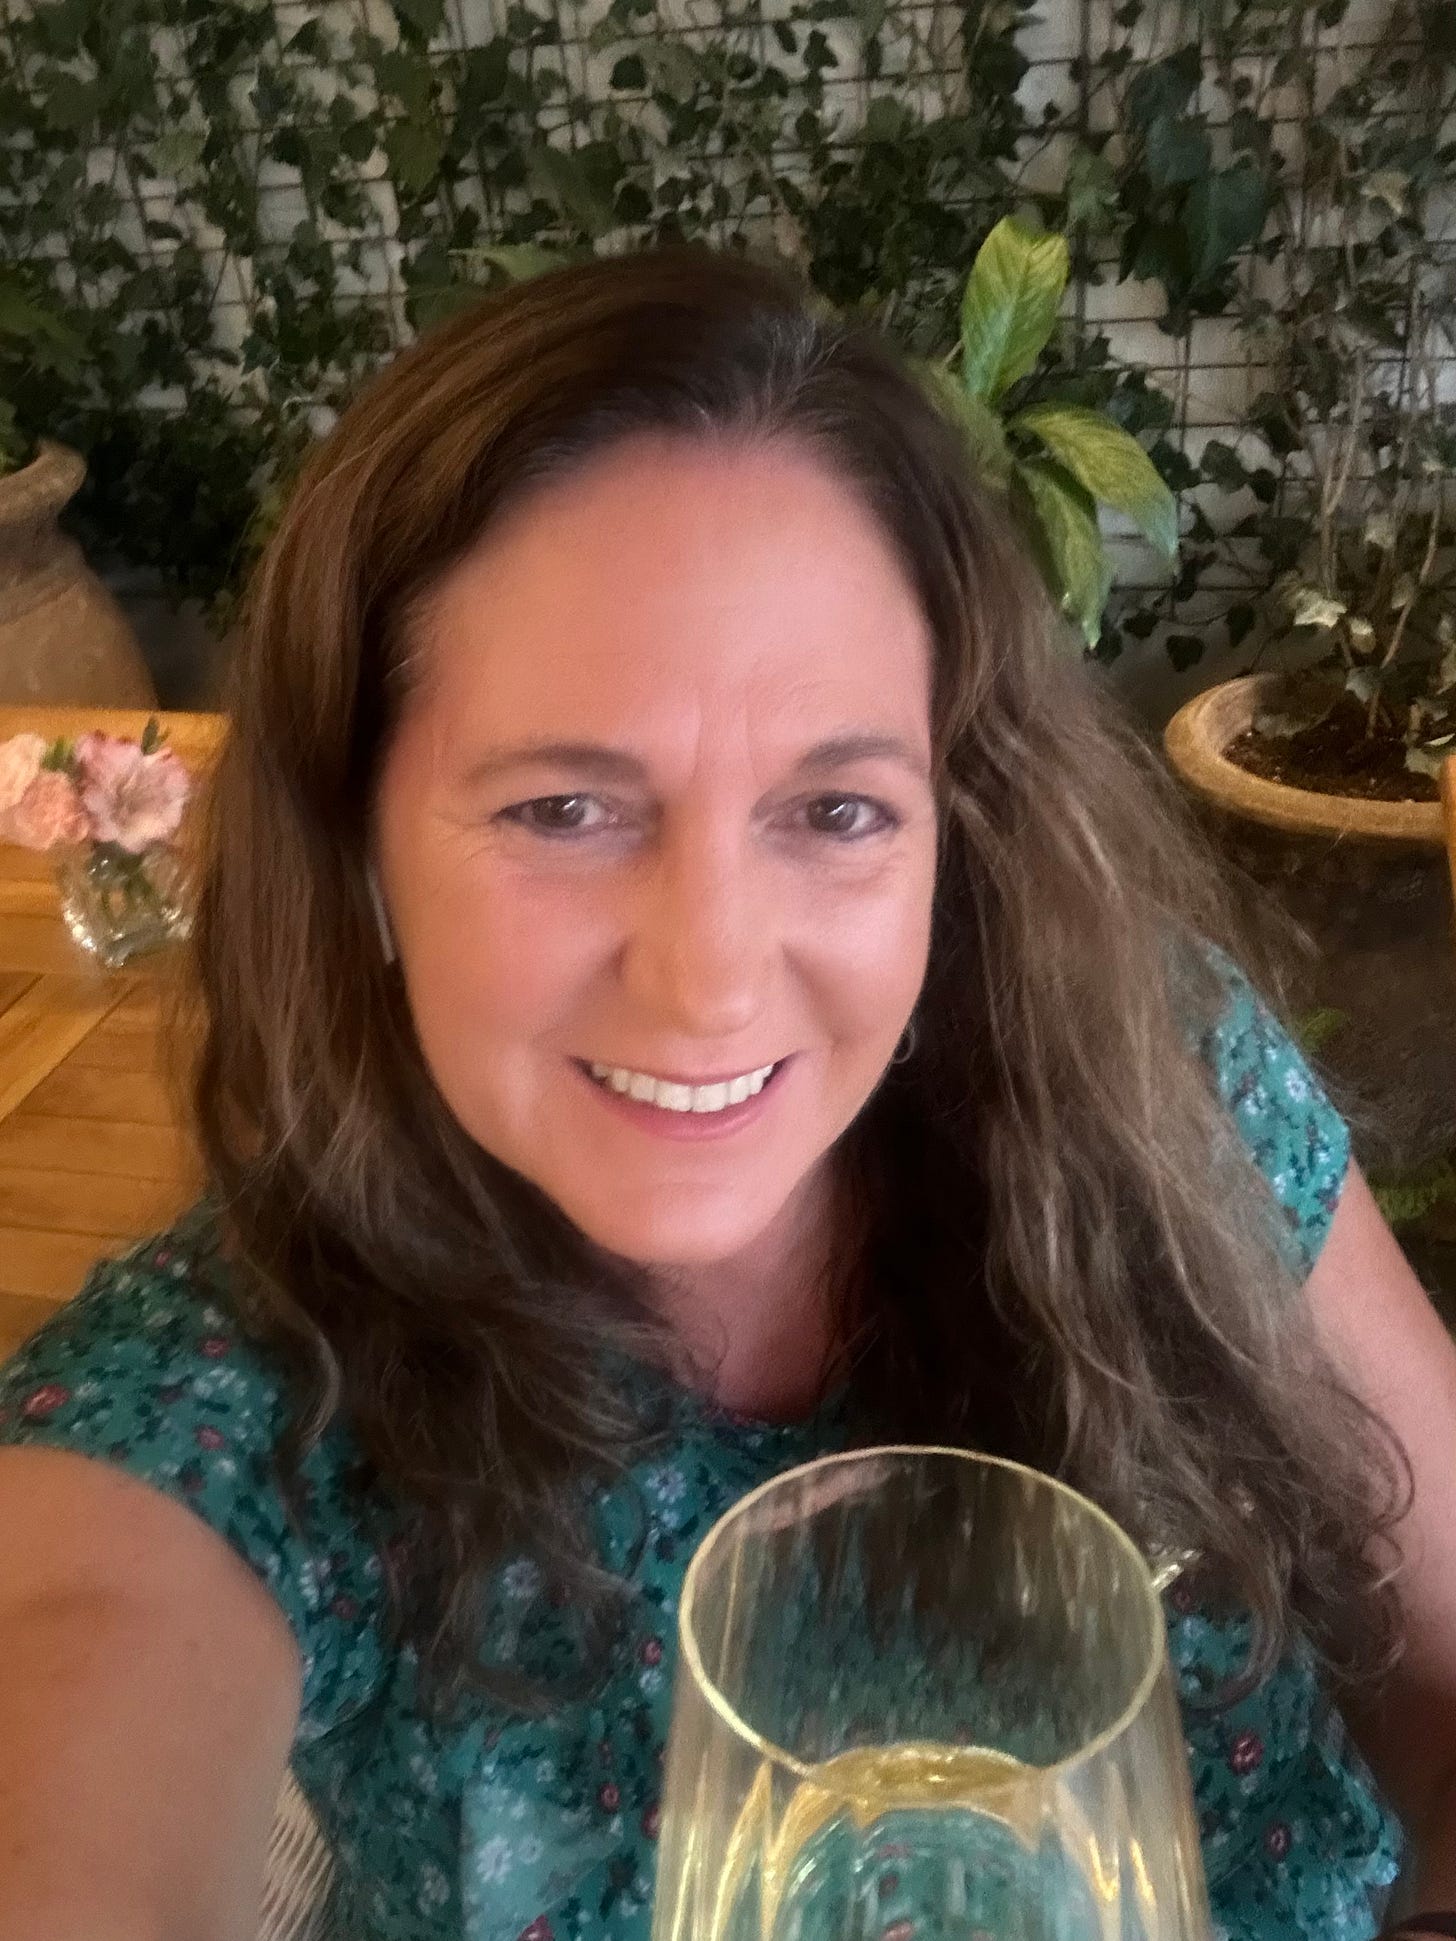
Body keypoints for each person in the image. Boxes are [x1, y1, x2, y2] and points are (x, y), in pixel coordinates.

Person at [1, 245, 1454, 1941]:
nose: (709, 979)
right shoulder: (237, 1392)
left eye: (835, 811)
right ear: (357, 847)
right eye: (563, 810)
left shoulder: (1157, 1079)